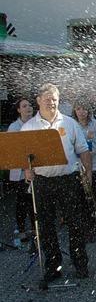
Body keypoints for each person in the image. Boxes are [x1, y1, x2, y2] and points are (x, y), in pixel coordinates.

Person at [22, 83, 92, 281]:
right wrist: (26, 170)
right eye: (47, 100)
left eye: (54, 99)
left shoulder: (70, 123)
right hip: (42, 182)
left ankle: (80, 264)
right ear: (38, 101)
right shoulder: (29, 127)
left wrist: (88, 176)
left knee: (75, 223)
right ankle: (54, 266)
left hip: (68, 180)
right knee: (45, 226)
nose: (51, 103)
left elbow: (84, 151)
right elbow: (22, 156)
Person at [73, 99, 96, 242]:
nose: (81, 112)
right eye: (78, 109)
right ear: (75, 111)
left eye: (84, 109)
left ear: (89, 110)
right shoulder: (72, 125)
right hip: (79, 167)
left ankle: (95, 227)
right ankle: (86, 228)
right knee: (82, 199)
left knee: (95, 195)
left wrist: (93, 153)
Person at [8, 97, 35, 249]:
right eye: (24, 106)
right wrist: (25, 168)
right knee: (22, 203)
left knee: (33, 203)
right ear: (19, 110)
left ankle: (35, 233)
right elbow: (14, 152)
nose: (28, 108)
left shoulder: (36, 124)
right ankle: (21, 231)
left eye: (30, 105)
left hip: (34, 171)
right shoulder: (14, 127)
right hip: (20, 173)